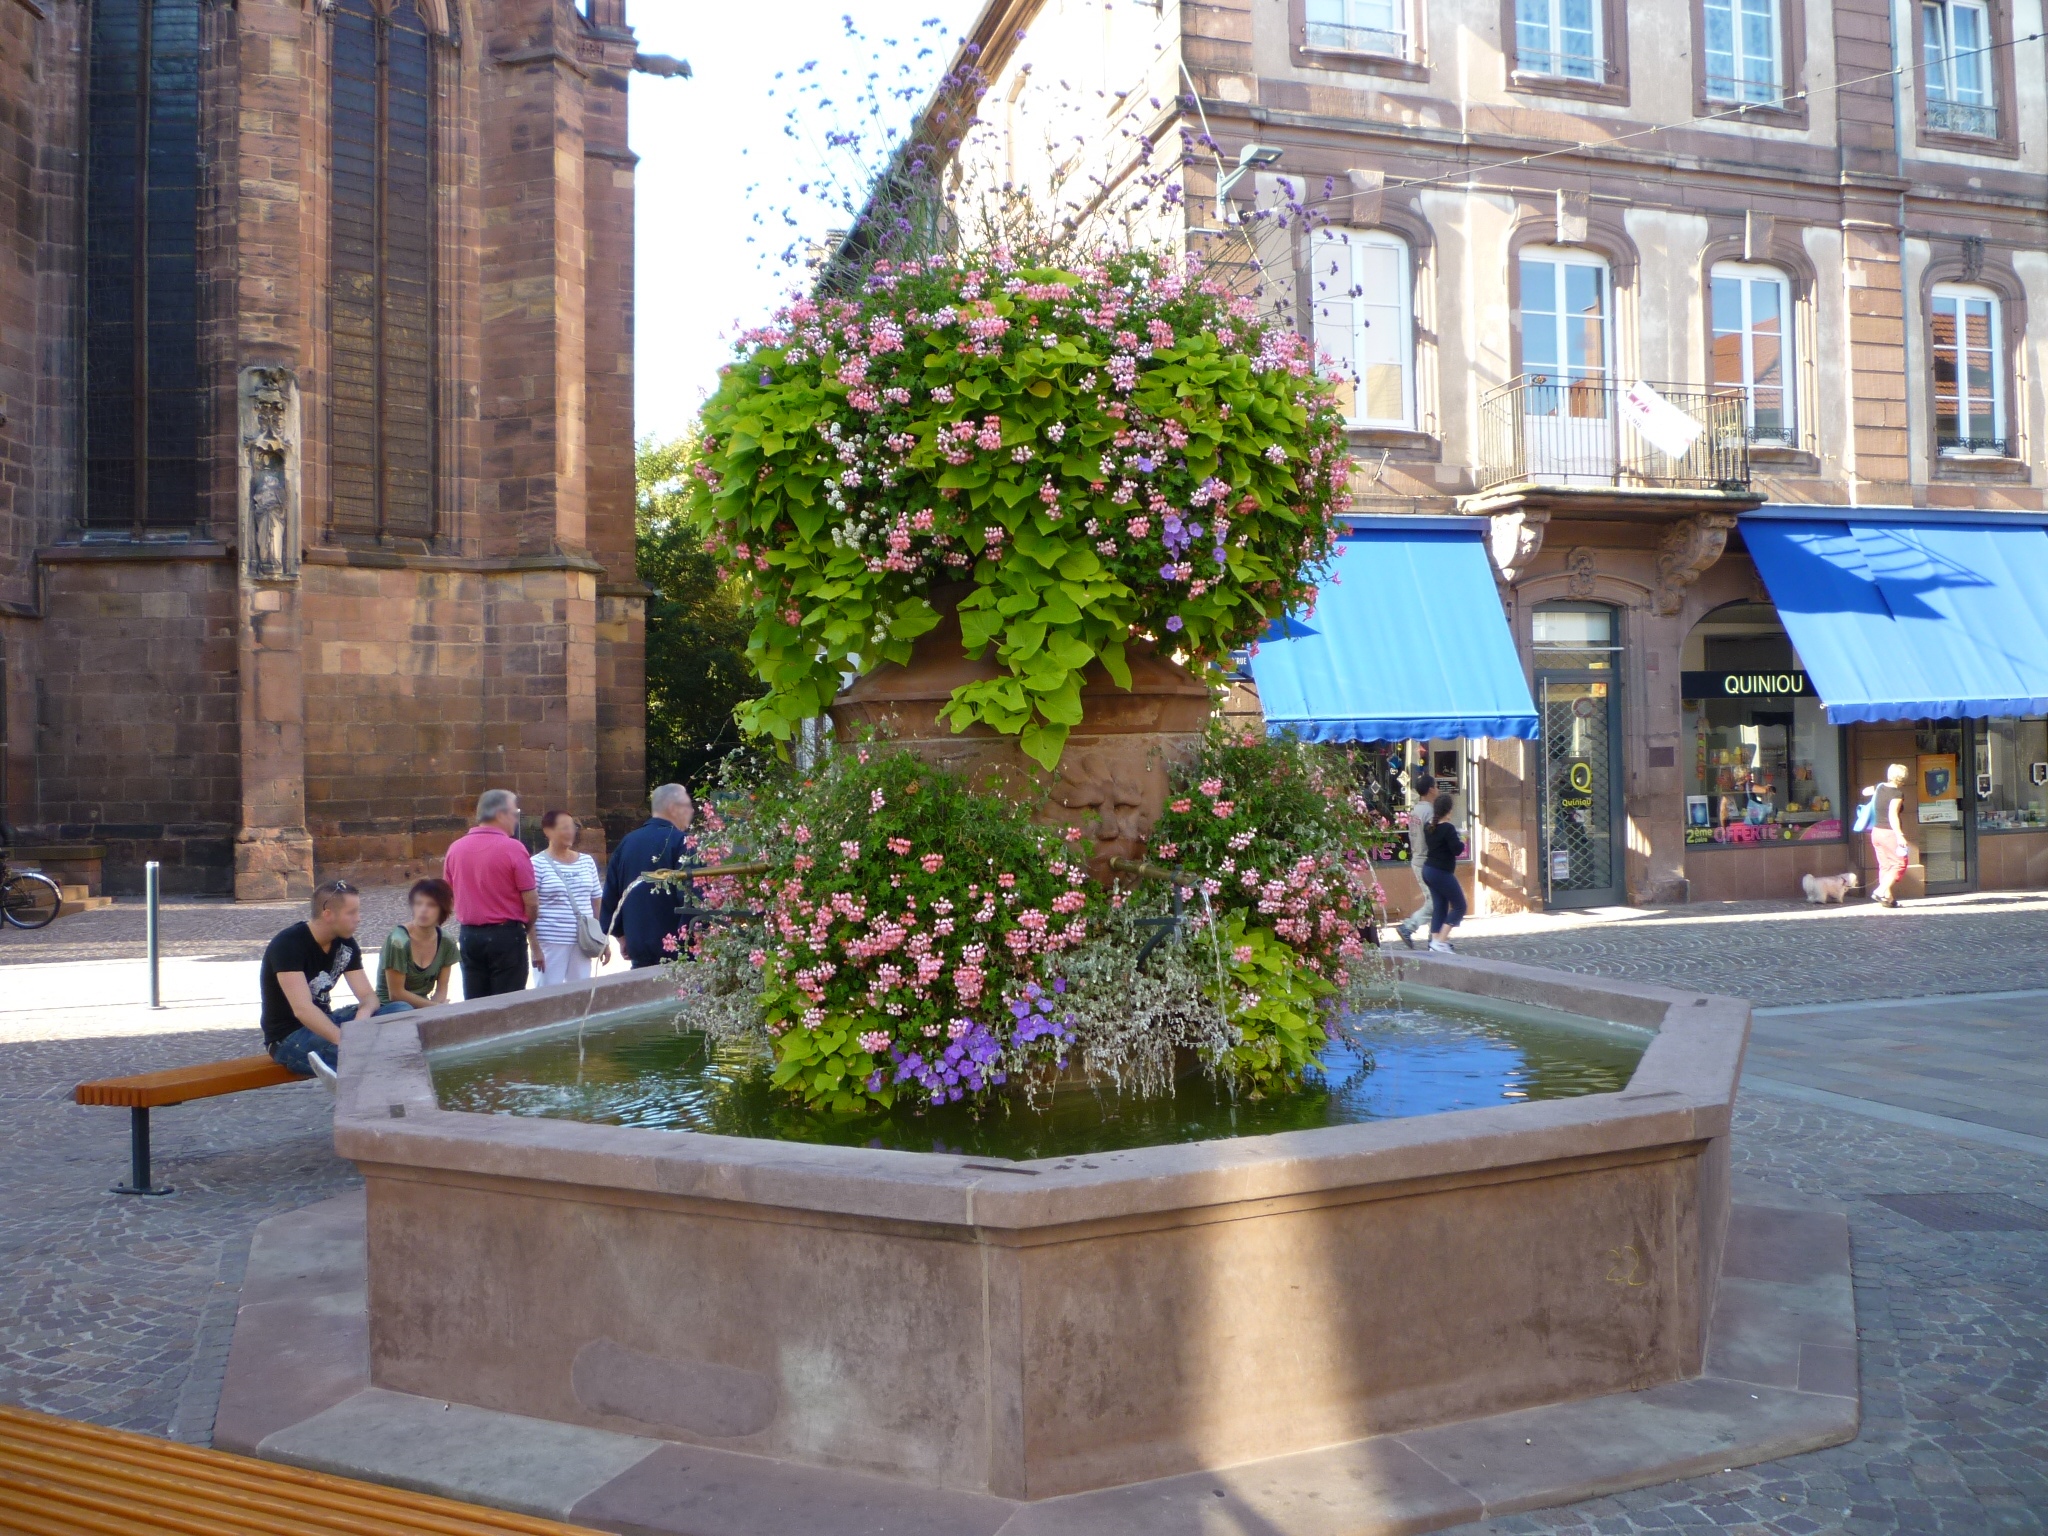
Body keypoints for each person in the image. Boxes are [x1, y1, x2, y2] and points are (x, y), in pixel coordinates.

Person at [260, 880, 412, 1083]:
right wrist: (345, 1041)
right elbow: (302, 1009)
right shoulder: (288, 945)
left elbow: (368, 996)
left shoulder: (346, 944)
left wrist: (363, 1017)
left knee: (401, 1011)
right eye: (352, 913)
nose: (358, 919)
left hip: (327, 1023)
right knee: (372, 1054)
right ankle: (352, 1076)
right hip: (289, 1037)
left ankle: (347, 1067)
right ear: (328, 913)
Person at [443, 788, 539, 997]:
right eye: (515, 813)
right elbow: (531, 902)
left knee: (476, 1003)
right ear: (500, 814)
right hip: (505, 936)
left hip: (469, 936)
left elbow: (449, 893)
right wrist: (525, 926)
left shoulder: (455, 848)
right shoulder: (513, 848)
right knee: (508, 1003)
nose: (516, 819)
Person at [602, 783, 697, 969]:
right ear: (673, 808)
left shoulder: (627, 842)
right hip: (678, 955)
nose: (692, 811)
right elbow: (691, 899)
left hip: (638, 950)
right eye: (688, 806)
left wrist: (621, 935)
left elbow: (611, 896)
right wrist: (691, 940)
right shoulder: (682, 842)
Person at [531, 810, 608, 984]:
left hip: (584, 941)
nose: (570, 831)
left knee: (581, 994)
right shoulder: (536, 864)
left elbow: (596, 902)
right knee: (548, 995)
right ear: (548, 831)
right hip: (551, 941)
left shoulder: (587, 861)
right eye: (564, 827)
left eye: (573, 827)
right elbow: (529, 907)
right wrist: (535, 948)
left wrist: (602, 939)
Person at [377, 878, 459, 1009]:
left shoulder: (446, 941)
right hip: (390, 1008)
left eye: (431, 905)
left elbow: (441, 990)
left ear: (442, 909)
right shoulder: (398, 941)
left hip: (425, 1007)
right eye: (418, 903)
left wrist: (436, 1007)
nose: (423, 910)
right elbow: (396, 994)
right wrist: (436, 1008)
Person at [1394, 771, 1437, 949]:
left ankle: (1434, 938)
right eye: (1435, 786)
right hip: (1426, 860)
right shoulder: (1429, 811)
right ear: (1430, 790)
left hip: (1418, 858)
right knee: (1434, 902)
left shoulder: (1416, 810)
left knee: (1436, 900)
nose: (1437, 790)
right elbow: (1432, 837)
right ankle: (1408, 927)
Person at [1421, 793, 1467, 953]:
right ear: (1449, 810)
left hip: (1428, 870)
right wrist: (1462, 838)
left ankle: (1435, 942)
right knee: (1460, 906)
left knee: (1440, 906)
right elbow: (1457, 849)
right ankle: (1440, 941)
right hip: (1440, 872)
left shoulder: (1428, 826)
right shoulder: (1448, 828)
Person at [1868, 762, 1912, 908]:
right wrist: (1899, 835)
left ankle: (1888, 899)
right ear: (1903, 777)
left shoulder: (1880, 787)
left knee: (1885, 865)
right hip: (1889, 833)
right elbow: (1892, 815)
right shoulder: (1897, 793)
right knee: (1900, 863)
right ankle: (1880, 891)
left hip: (1876, 832)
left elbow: (1864, 792)